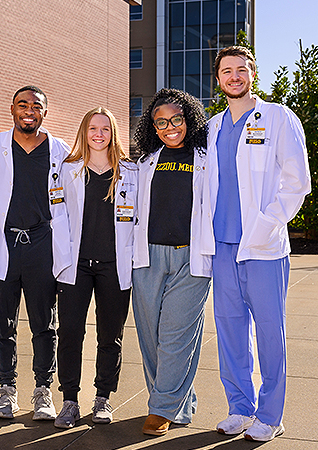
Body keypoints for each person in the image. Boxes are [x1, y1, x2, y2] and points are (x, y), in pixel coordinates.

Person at [208, 46, 310, 442]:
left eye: (241, 70)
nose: (234, 77)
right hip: (222, 246)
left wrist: (269, 223)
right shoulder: (214, 126)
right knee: (230, 331)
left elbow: (297, 181)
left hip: (263, 247)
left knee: (270, 331)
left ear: (253, 74)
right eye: (226, 71)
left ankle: (271, 414)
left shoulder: (279, 118)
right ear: (218, 79)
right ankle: (240, 408)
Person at [0, 85, 70, 421]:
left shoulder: (60, 150)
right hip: (4, 243)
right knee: (3, 324)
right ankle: (7, 390)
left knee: (44, 324)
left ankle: (43, 391)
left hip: (42, 245)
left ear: (45, 112)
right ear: (12, 110)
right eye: (22, 104)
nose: (29, 110)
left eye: (36, 105)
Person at [132, 88, 213, 436]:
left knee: (176, 335)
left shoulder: (208, 157)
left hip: (190, 256)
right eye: (161, 122)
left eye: (176, 119)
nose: (169, 127)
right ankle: (178, 402)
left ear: (190, 118)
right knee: (150, 336)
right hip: (147, 255)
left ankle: (161, 407)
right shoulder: (145, 160)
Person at [52, 107, 138, 429]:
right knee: (70, 333)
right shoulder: (68, 169)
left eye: (105, 129)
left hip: (114, 266)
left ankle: (103, 397)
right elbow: (57, 215)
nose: (98, 134)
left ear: (113, 133)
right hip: (76, 266)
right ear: (84, 133)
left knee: (110, 336)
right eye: (92, 129)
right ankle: (70, 400)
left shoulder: (130, 172)